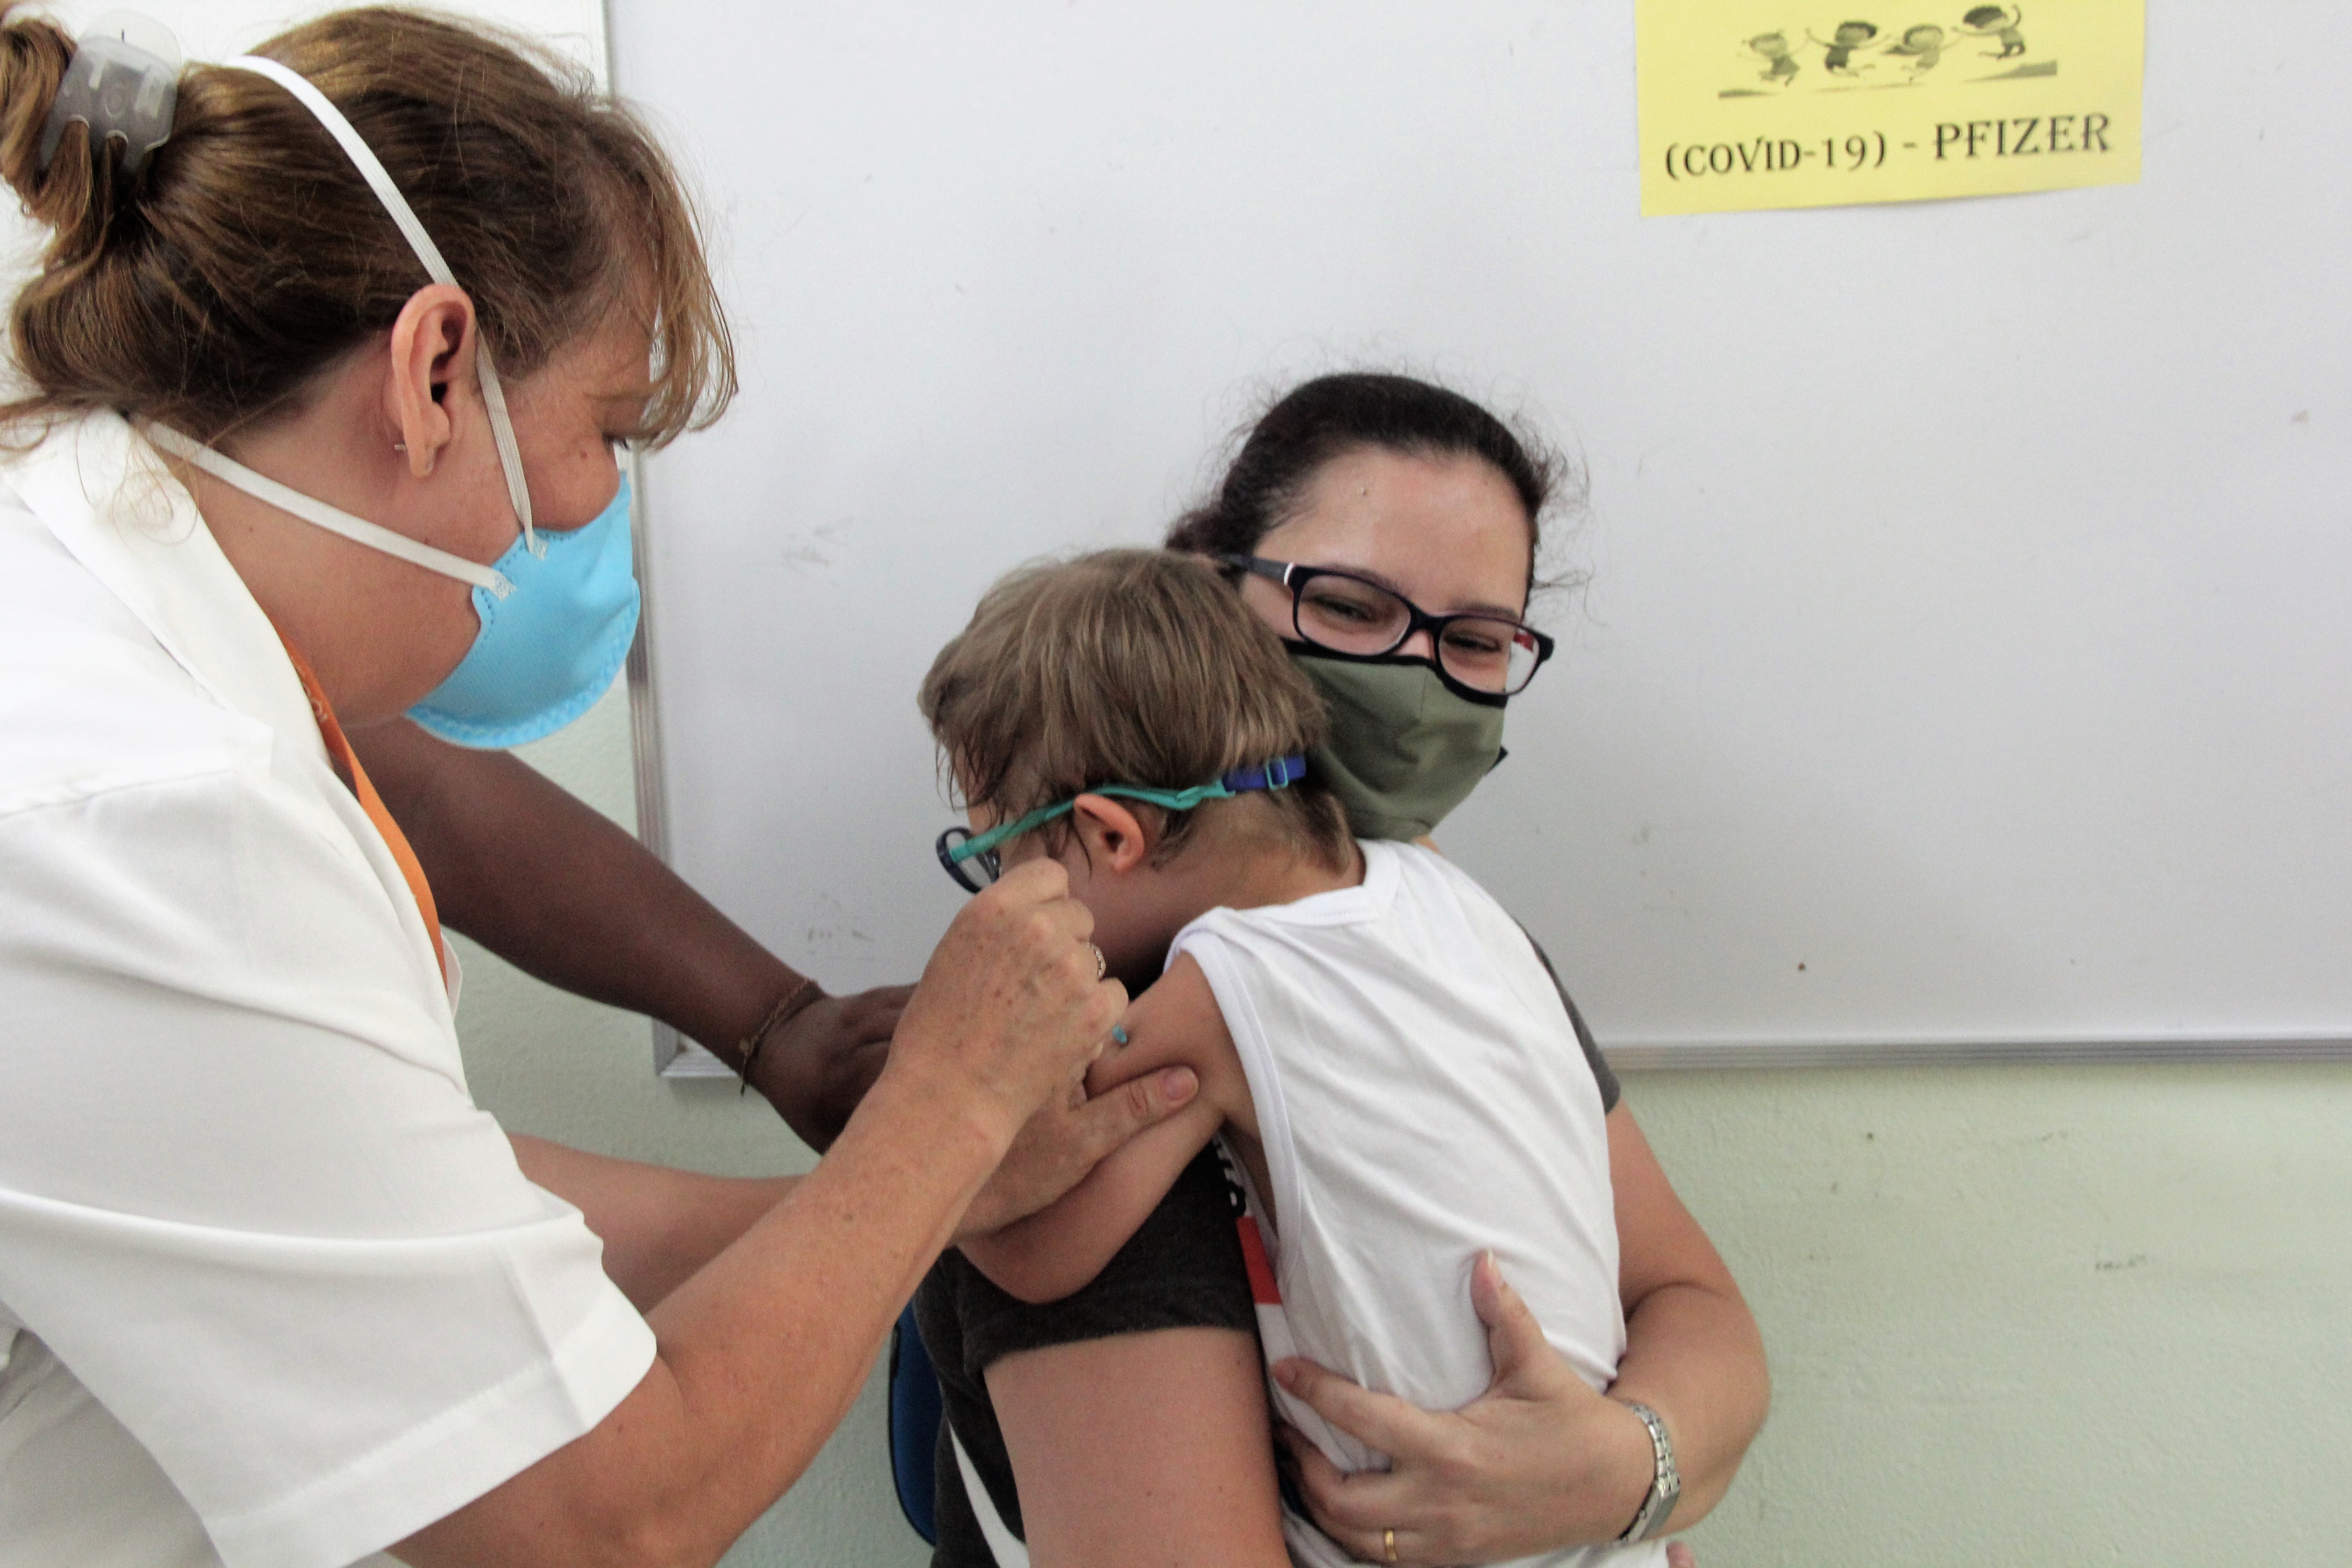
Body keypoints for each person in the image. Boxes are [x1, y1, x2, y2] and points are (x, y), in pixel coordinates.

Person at [0, 11, 1187, 1566]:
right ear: (435, 369)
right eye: (606, 430)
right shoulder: (148, 813)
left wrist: (911, 1175)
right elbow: (590, 1523)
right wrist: (948, 1107)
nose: (593, 510)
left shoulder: (112, 581)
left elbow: (393, 1198)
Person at [917, 374, 1769, 1567]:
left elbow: (1697, 1307)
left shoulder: (1444, 934)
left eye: (1475, 641)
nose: (1414, 682)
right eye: (1357, 609)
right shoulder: (1387, 932)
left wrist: (1623, 1468)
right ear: (1217, 597)